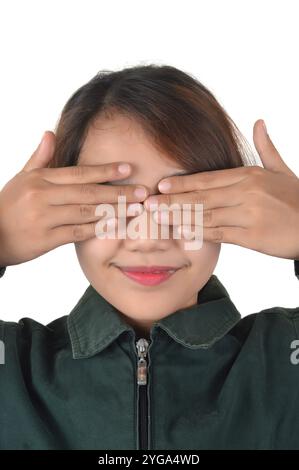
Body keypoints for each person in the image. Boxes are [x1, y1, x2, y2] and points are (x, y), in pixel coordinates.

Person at [0, 64, 299, 450]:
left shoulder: (283, 360)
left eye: (184, 202)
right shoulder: (14, 372)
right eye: (112, 201)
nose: (148, 237)